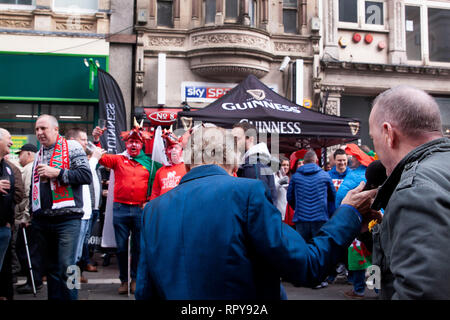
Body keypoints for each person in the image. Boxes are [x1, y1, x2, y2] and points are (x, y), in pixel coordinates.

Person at [135, 126, 378, 300]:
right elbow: (307, 265)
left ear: (187, 163)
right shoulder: (246, 193)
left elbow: (145, 291)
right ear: (232, 161)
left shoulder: (154, 211)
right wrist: (349, 213)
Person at [369, 85, 450, 299]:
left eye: (373, 138)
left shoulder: (415, 192)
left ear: (388, 134)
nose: (375, 149)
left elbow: (422, 292)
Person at [95, 123, 162, 294]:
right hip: (120, 209)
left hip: (140, 210)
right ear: (126, 144)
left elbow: (165, 173)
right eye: (130, 142)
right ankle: (124, 280)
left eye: (137, 142)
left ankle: (135, 280)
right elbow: (100, 158)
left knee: (138, 247)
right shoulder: (118, 159)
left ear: (142, 145)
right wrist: (96, 140)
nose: (133, 145)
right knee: (122, 247)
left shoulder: (150, 163)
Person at [31, 115, 92, 300]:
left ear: (56, 130)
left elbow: (85, 175)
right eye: (36, 129)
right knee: (51, 269)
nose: (39, 133)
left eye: (43, 128)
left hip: (67, 220)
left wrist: (57, 173)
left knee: (69, 266)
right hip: (43, 220)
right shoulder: (40, 153)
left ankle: (72, 297)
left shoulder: (72, 147)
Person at [286, 149, 336, 289]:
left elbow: (289, 197)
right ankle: (317, 280)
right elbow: (332, 196)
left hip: (301, 219)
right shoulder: (324, 175)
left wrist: (298, 208)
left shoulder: (295, 177)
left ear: (305, 161)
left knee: (301, 249)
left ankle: (300, 278)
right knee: (319, 250)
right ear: (316, 161)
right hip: (320, 218)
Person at [13, 143, 46, 295]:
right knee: (29, 250)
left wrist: (26, 216)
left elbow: (27, 194)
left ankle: (33, 281)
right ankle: (33, 280)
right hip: (30, 216)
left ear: (28, 154)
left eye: (21, 154)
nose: (19, 157)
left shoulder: (29, 168)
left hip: (27, 218)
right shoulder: (33, 167)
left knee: (27, 250)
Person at [232, 122, 276, 202]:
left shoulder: (253, 164)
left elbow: (258, 200)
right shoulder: (257, 160)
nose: (234, 142)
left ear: (251, 139)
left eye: (237, 138)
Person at [150, 130, 186, 200]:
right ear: (165, 151)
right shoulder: (160, 171)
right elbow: (155, 194)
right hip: (163, 208)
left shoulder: (187, 168)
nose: (173, 150)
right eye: (170, 148)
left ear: (181, 150)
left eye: (176, 148)